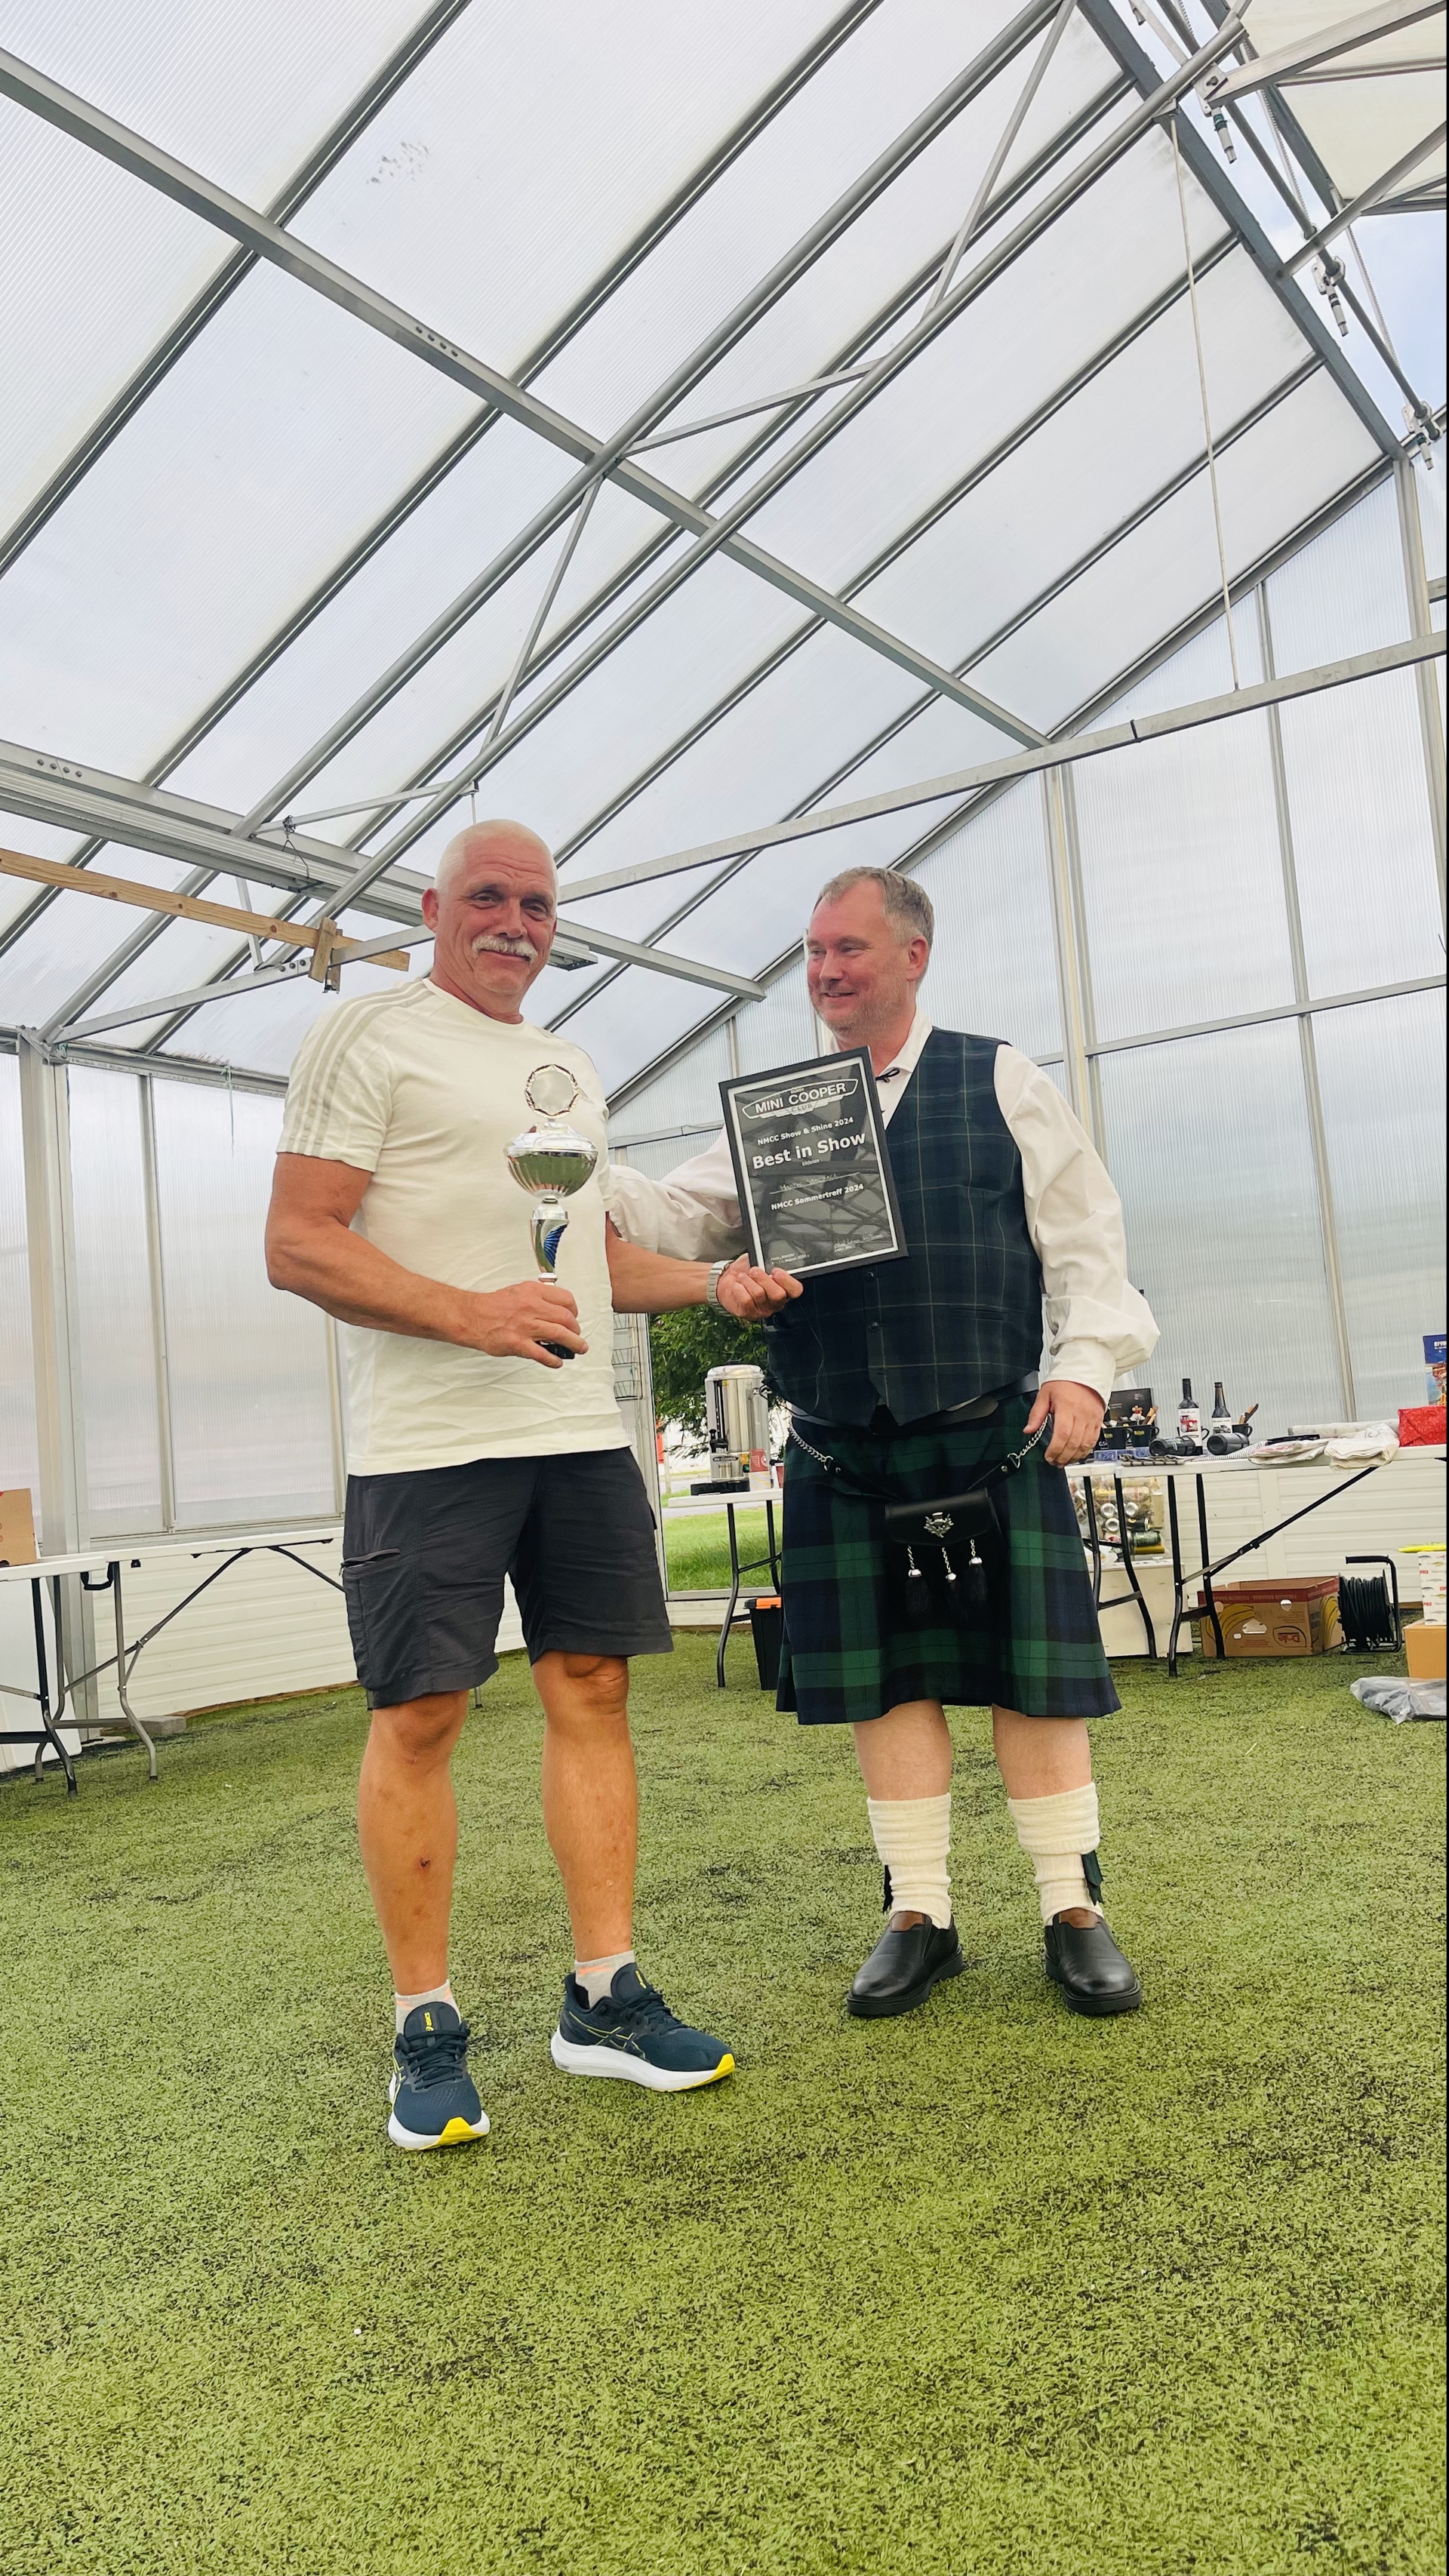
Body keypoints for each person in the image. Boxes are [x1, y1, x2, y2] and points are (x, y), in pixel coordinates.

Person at [265, 819, 796, 2147]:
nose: (515, 922)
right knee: (422, 1713)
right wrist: (472, 1314)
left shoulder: (569, 1067)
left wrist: (717, 1283)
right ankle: (424, 2021)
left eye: (539, 905)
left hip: (573, 1431)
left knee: (596, 1688)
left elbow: (591, 1259)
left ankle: (603, 1996)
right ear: (432, 908)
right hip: (425, 1443)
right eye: (489, 897)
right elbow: (298, 1241)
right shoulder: (368, 1034)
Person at [604, 866, 1158, 2022]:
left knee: (1033, 1681)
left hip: (993, 1433)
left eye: (848, 948)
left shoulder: (998, 1076)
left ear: (914, 955)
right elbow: (676, 1214)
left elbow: (1086, 1237)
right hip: (842, 1447)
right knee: (888, 1686)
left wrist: (1084, 1368)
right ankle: (920, 1913)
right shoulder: (787, 1113)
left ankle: (1072, 1907)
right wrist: (570, 1160)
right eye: (814, 952)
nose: (825, 971)